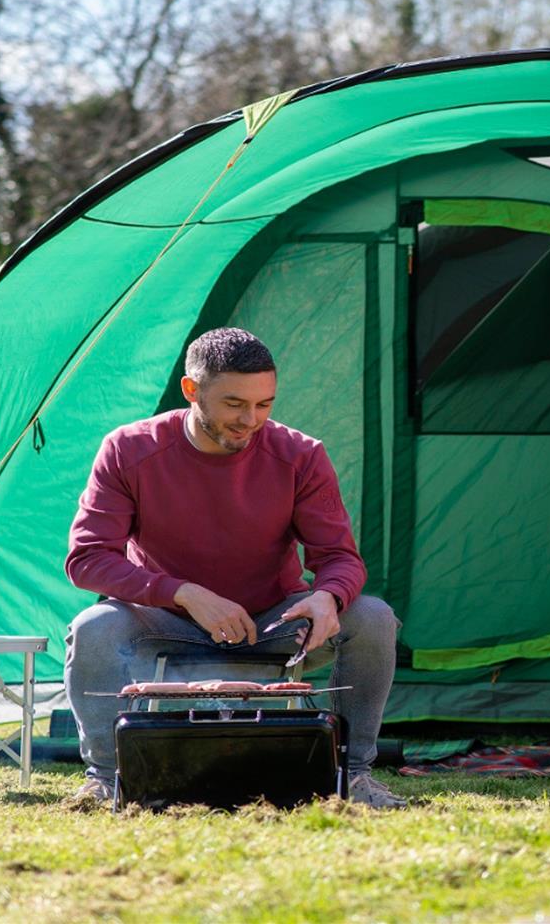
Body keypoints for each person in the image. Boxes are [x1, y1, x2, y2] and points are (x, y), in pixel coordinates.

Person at [63, 327, 405, 809]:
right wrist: (184, 593)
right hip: (165, 620)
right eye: (233, 404)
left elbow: (340, 558)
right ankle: (107, 780)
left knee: (372, 616)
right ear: (191, 391)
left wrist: (328, 596)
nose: (251, 420)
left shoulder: (300, 454)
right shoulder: (128, 450)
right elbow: (87, 558)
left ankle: (354, 776)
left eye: (264, 404)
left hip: (272, 622)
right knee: (93, 627)